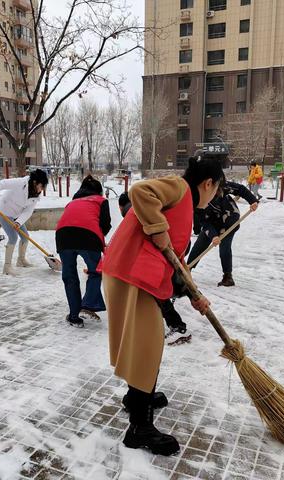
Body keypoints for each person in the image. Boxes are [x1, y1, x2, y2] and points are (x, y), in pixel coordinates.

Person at [101, 156, 223, 456]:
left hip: (133, 274)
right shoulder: (179, 188)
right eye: (216, 189)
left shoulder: (183, 208)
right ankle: (139, 428)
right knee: (148, 345)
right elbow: (140, 192)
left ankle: (136, 397)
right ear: (207, 183)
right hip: (130, 274)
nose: (214, 196)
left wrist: (193, 294)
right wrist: (156, 226)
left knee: (143, 343)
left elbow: (174, 259)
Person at [118, 191, 190, 346]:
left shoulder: (129, 211)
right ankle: (188, 295)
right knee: (167, 282)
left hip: (160, 249)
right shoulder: (142, 206)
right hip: (172, 244)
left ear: (120, 206)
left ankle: (178, 326)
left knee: (155, 289)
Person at [56, 175, 111, 327]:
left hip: (63, 236)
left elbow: (69, 219)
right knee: (96, 271)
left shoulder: (72, 202)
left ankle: (74, 316)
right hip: (88, 237)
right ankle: (87, 305)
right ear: (98, 191)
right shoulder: (101, 200)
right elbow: (105, 224)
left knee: (70, 276)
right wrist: (100, 238)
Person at [187, 178, 258, 287]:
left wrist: (252, 200)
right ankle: (187, 271)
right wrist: (213, 236)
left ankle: (228, 277)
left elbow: (240, 189)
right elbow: (204, 222)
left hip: (229, 222)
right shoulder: (197, 201)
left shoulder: (220, 186)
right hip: (211, 224)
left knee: (225, 247)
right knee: (199, 245)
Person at [0, 169, 48, 274]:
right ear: (35, 182)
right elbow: (1, 184)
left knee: (25, 237)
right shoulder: (20, 183)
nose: (42, 189)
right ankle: (7, 267)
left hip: (16, 215)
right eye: (41, 186)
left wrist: (18, 222)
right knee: (13, 237)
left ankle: (21, 260)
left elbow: (28, 211)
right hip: (4, 211)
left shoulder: (35, 195)